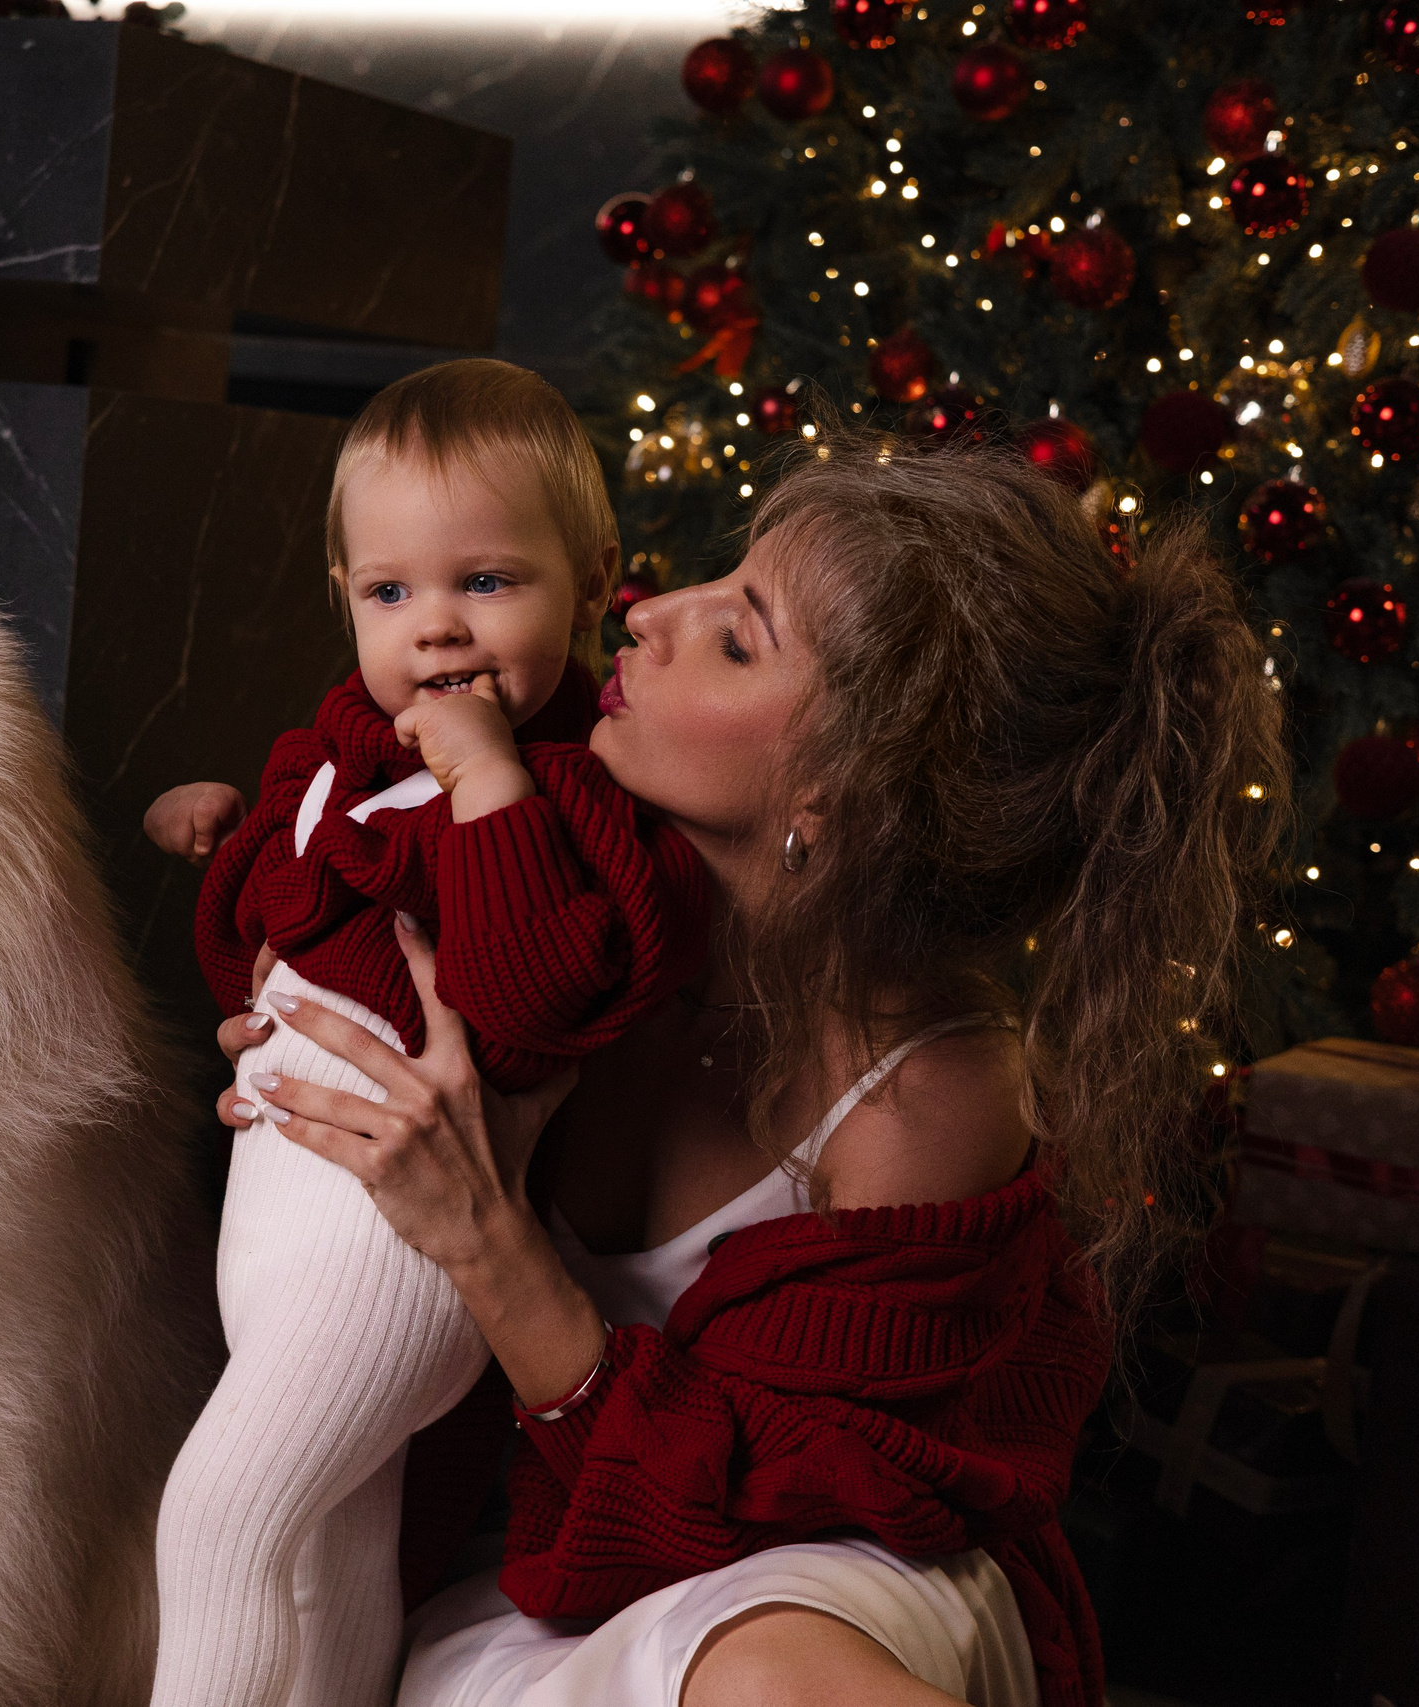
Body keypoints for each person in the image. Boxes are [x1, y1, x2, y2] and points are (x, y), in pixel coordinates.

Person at [208, 434, 1290, 1707]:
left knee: (771, 1675)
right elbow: (316, 869)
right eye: (714, 580)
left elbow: (753, 1500)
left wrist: (484, 1238)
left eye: (735, 638)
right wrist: (301, 1026)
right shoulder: (530, 870)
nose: (647, 610)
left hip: (807, 1557)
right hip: (523, 1564)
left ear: (831, 792)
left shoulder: (924, 1087)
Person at [141, 359, 708, 1707]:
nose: (438, 625)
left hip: (387, 1246)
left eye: (488, 581)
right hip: (281, 1221)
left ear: (593, 580)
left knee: (219, 1517)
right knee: (328, 1555)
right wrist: (233, 844)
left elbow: (528, 1006)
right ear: (345, 595)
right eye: (391, 593)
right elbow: (259, 968)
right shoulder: (337, 751)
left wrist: (488, 783)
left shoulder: (566, 790)